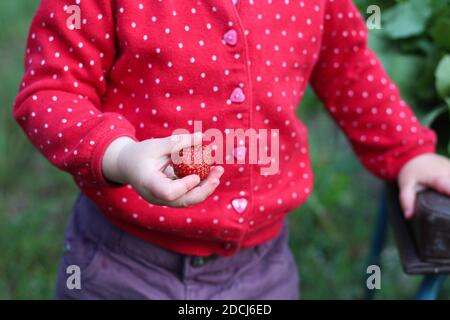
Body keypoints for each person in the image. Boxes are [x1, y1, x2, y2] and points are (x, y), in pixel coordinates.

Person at [13, 0, 450, 299]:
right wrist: (121, 155)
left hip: (261, 270)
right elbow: (51, 91)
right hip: (122, 262)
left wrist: (407, 150)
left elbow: (347, 65)